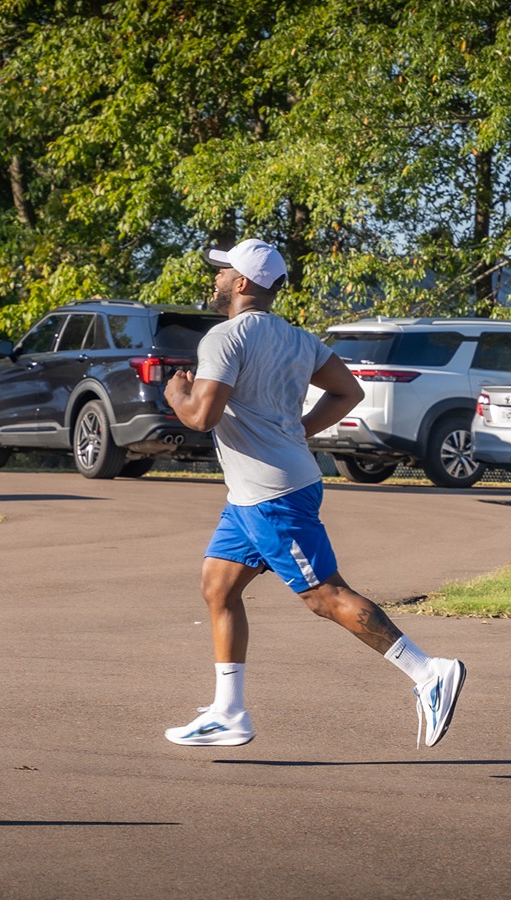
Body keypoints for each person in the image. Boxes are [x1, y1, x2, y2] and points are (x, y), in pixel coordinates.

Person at [162, 238, 466, 749]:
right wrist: (296, 432)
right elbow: (349, 391)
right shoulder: (299, 339)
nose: (216, 279)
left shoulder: (224, 338)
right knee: (218, 587)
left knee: (324, 595)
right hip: (255, 493)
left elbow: (201, 416)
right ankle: (229, 712)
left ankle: (428, 671)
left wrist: (177, 394)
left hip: (272, 495)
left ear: (242, 283)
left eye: (223, 271)